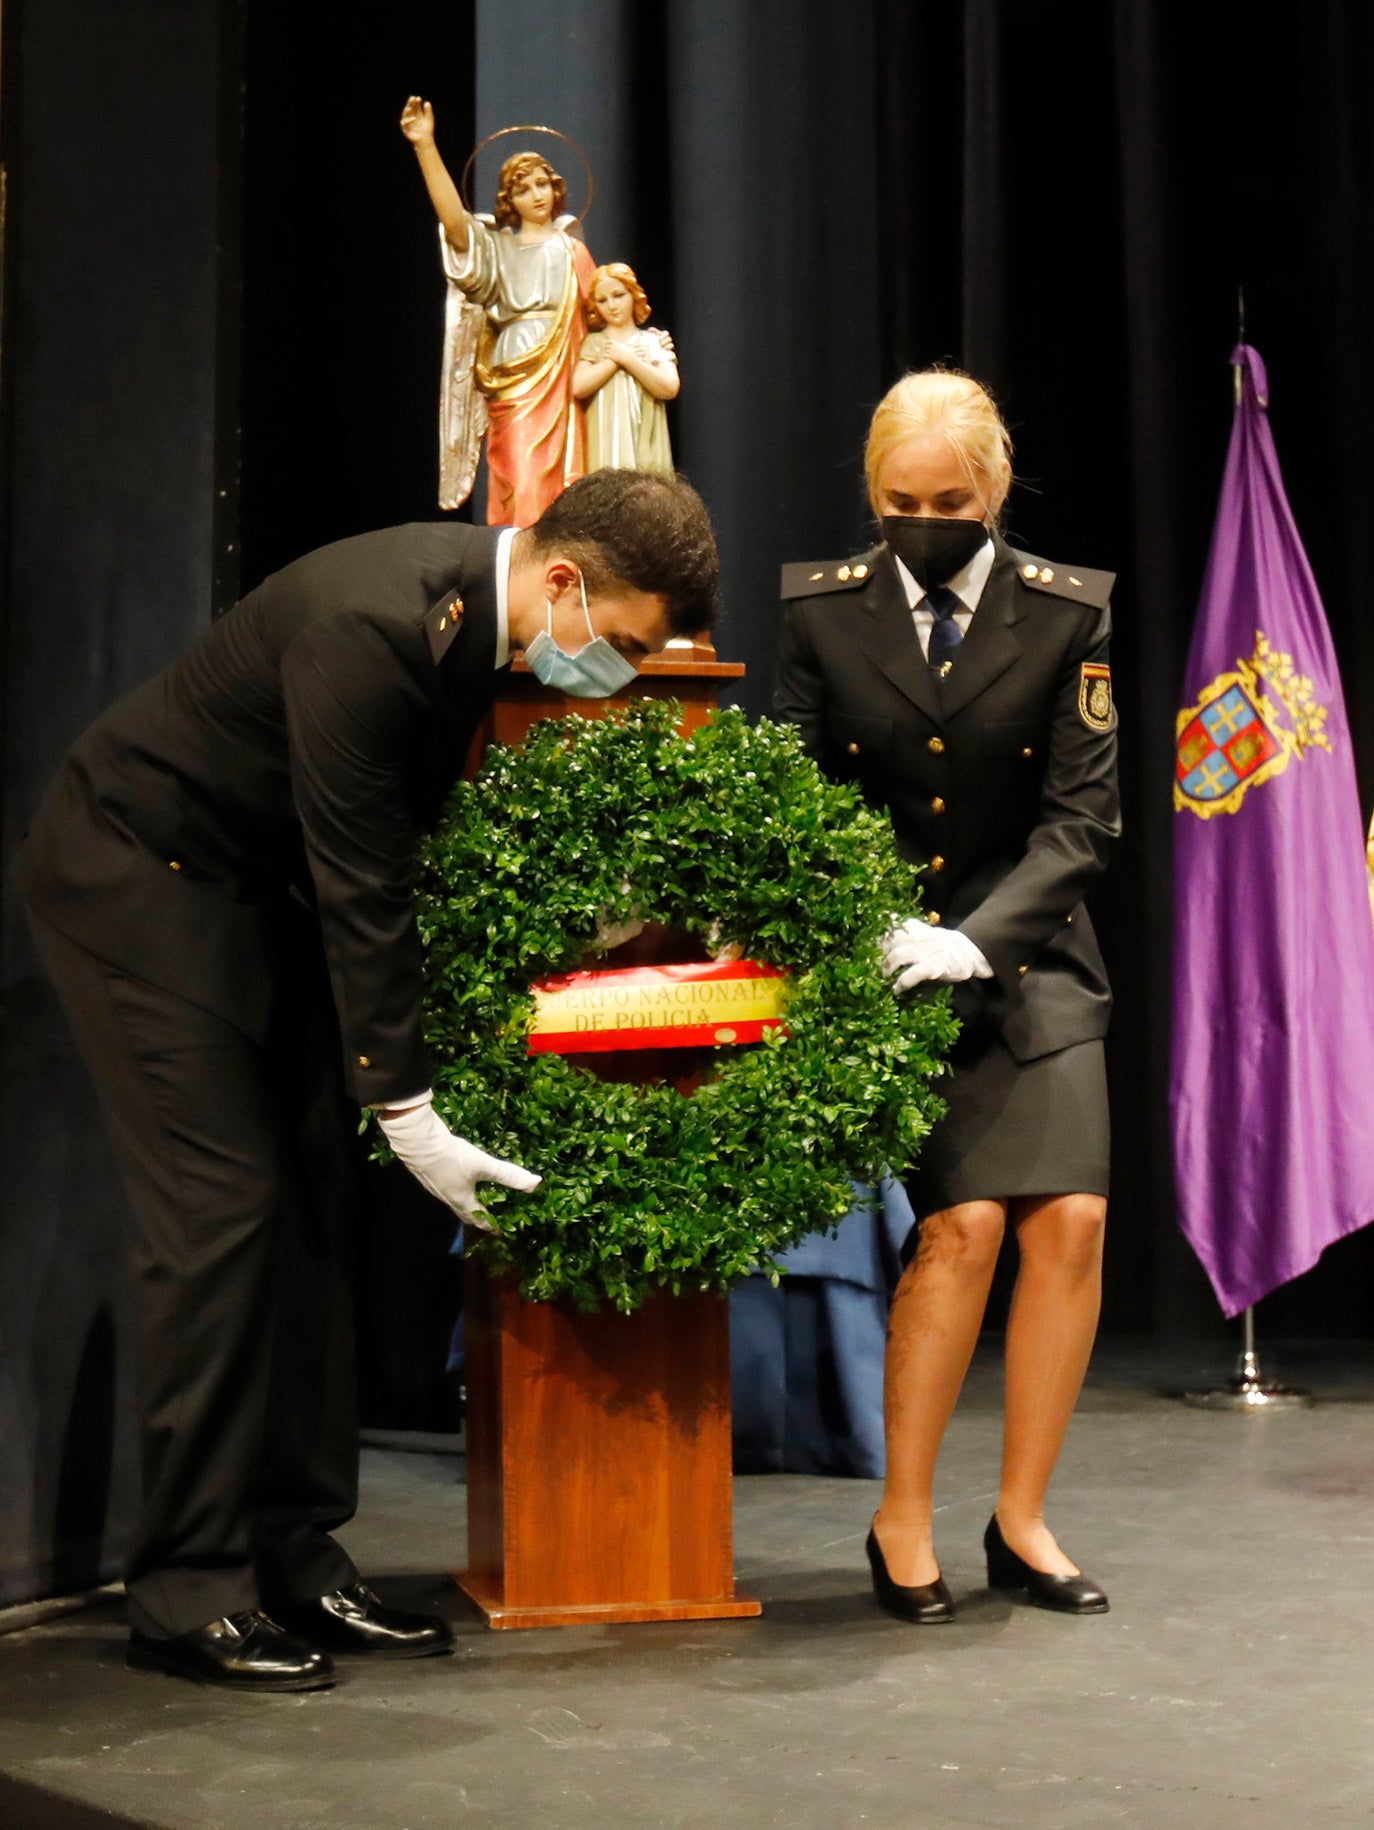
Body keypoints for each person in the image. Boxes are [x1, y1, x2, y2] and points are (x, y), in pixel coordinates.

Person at [21, 469, 720, 1691]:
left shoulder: (474, 621)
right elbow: (362, 880)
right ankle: (187, 1588)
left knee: (310, 1210)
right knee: (222, 1215)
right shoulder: (374, 625)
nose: (615, 674)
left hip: (246, 893)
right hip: (135, 878)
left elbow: (406, 846)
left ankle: (294, 1549)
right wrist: (406, 1108)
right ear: (563, 580)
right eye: (620, 644)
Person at [774, 369, 1119, 1622]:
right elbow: (794, 799)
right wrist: (865, 920)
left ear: (997, 488)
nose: (925, 523)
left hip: (1030, 957)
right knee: (963, 1228)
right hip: (888, 964)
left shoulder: (1068, 613)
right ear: (874, 493)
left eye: (950, 503)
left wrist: (977, 943)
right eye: (901, 503)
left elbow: (1082, 825)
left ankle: (1022, 1521)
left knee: (1070, 1218)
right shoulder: (824, 613)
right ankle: (902, 1518)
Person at [401, 97, 597, 525]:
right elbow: (456, 225)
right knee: (522, 481)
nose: (537, 195)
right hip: (516, 374)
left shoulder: (574, 251)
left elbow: (601, 317)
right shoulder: (498, 249)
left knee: (566, 490)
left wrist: (637, 345)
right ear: (510, 200)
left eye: (542, 184)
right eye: (524, 189)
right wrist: (425, 146)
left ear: (556, 188)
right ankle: (516, 560)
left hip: (565, 377)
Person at [573, 262, 678, 476]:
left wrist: (628, 360)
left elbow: (669, 387)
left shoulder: (652, 341)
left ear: (633, 295)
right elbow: (579, 387)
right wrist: (612, 362)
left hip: (645, 443)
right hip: (607, 445)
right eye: (602, 300)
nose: (612, 306)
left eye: (618, 295)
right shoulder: (595, 343)